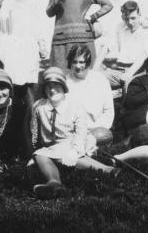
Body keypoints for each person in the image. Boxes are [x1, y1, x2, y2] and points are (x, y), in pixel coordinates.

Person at [29, 67, 117, 199]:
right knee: (39, 154)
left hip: (72, 142)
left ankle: (107, 170)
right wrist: (33, 151)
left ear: (64, 87)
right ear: (44, 89)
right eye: (48, 87)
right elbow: (34, 132)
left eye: (56, 86)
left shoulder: (75, 106)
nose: (52, 90)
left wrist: (75, 151)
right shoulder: (39, 107)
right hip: (49, 147)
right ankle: (54, 183)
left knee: (51, 154)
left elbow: (81, 132)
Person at [46, 0, 113, 69]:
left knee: (84, 73)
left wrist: (93, 16)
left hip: (83, 39)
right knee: (61, 73)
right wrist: (56, 1)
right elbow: (49, 13)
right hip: (62, 39)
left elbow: (108, 5)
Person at [0, 0, 44, 108]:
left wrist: (41, 44)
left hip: (25, 46)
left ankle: (31, 117)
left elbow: (36, 22)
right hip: (7, 45)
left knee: (26, 83)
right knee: (8, 80)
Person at [65, 44, 114, 146]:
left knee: (103, 135)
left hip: (95, 129)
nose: (78, 66)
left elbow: (109, 111)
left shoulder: (100, 80)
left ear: (87, 62)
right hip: (72, 129)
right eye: (74, 62)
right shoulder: (65, 81)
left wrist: (94, 128)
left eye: (81, 62)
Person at [102, 0, 148, 88]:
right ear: (122, 17)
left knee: (101, 79)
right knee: (96, 77)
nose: (130, 22)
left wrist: (128, 75)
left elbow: (142, 56)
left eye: (133, 18)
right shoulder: (120, 27)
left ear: (139, 14)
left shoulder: (146, 30)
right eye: (126, 19)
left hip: (136, 72)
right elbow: (107, 47)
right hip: (118, 69)